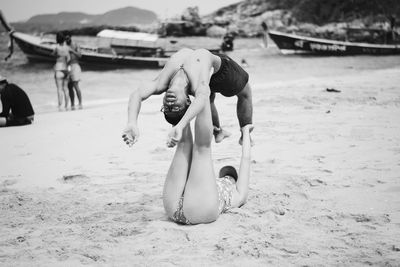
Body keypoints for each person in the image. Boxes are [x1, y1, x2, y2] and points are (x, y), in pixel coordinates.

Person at [125, 92, 253, 224]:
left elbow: (246, 160)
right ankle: (181, 99)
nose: (227, 178)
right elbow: (246, 160)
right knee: (195, 147)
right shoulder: (234, 194)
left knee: (196, 147)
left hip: (194, 207)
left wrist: (246, 132)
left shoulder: (228, 191)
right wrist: (246, 133)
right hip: (183, 209)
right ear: (233, 180)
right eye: (229, 176)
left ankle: (196, 92)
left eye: (228, 175)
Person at [122, 48, 253, 146]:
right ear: (188, 100)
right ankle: (245, 135)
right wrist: (180, 126)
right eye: (176, 108)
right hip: (221, 71)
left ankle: (218, 132)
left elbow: (137, 94)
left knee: (209, 97)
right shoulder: (198, 86)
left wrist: (132, 122)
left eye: (166, 108)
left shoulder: (160, 83)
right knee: (245, 93)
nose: (170, 104)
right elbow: (201, 98)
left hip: (206, 62)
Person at [65, 32, 83, 109]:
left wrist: (72, 51)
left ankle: (80, 103)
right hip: (67, 66)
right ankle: (72, 104)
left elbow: (80, 55)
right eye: (65, 39)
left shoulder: (75, 45)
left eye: (68, 38)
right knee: (69, 86)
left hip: (75, 66)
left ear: (71, 37)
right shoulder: (65, 46)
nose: (67, 40)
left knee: (76, 85)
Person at [52, 31, 70, 110]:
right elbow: (68, 58)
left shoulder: (56, 47)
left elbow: (52, 54)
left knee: (59, 89)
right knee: (66, 88)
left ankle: (60, 105)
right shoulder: (67, 48)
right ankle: (67, 105)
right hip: (66, 69)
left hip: (58, 69)